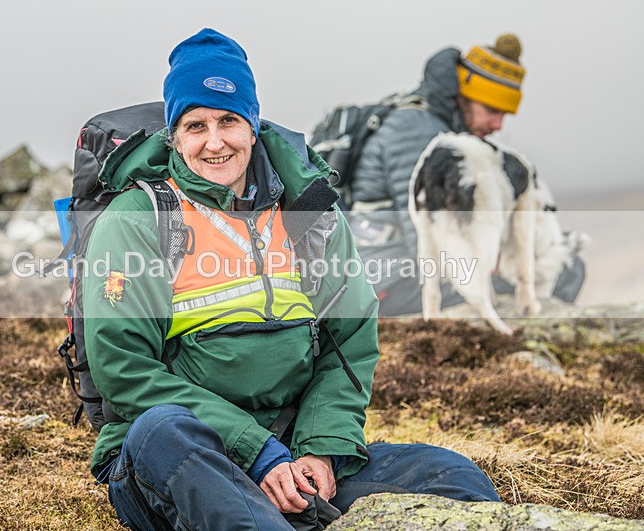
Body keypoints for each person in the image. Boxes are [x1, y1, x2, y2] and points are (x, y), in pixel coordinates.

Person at [83, 28, 499, 530]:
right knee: (162, 430)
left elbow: (349, 343)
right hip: (184, 456)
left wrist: (320, 450)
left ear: (253, 126)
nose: (214, 141)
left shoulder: (309, 212)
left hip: (293, 452)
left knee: (451, 477)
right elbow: (124, 370)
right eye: (195, 125)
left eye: (229, 120)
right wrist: (257, 455)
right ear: (174, 136)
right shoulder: (139, 218)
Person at [349, 34, 586, 316]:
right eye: (492, 110)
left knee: (553, 258)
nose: (498, 125)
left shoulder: (434, 127)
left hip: (393, 273)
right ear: (464, 96)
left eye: (504, 115)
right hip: (385, 283)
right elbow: (430, 247)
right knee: (562, 270)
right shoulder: (417, 133)